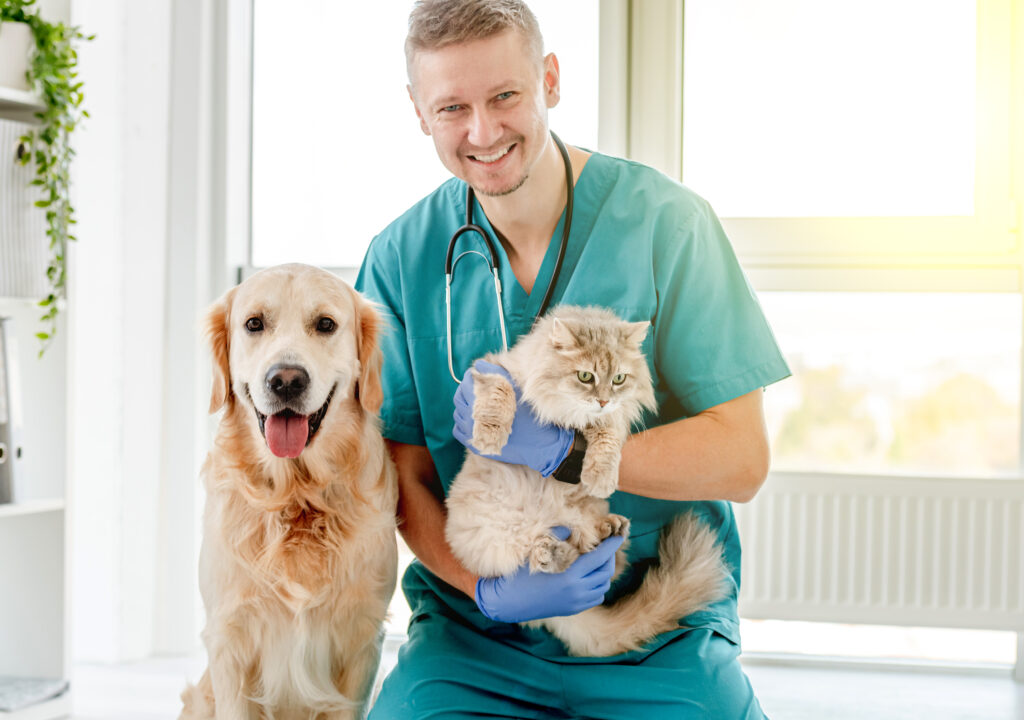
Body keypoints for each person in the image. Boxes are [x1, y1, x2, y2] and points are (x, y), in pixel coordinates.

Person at [355, 1, 790, 717]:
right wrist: (485, 590)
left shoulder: (667, 225)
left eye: (505, 97)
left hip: (655, 630)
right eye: (452, 108)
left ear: (549, 80)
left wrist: (576, 453)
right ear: (418, 112)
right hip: (473, 636)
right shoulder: (400, 259)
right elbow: (401, 474)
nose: (483, 132)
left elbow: (742, 459)